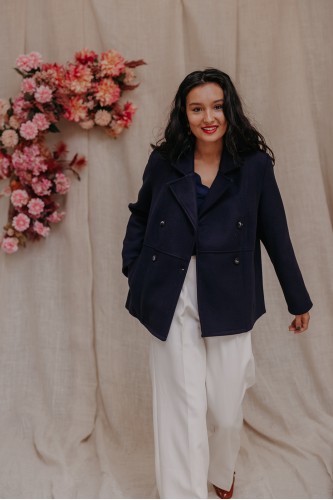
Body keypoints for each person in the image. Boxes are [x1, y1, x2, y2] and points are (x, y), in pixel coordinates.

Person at [121, 68, 313, 499]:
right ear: (184, 114)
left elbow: (275, 233)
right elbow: (141, 213)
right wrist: (134, 267)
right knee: (181, 408)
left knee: (226, 410)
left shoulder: (255, 166)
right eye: (196, 108)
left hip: (229, 293)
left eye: (217, 105)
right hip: (170, 290)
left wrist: (297, 299)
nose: (208, 116)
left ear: (230, 109)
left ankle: (222, 471)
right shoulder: (164, 161)